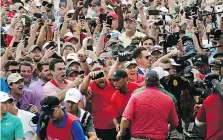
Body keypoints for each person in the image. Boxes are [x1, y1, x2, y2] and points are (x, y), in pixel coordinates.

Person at [117, 70, 179, 140]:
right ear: (158, 82)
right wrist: (167, 129)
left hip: (139, 138)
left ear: (145, 82)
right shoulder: (168, 99)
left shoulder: (136, 96)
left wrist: (121, 133)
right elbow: (175, 123)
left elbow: (125, 120)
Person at [80, 66, 117, 140]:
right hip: (98, 128)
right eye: (98, 76)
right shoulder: (91, 86)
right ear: (93, 79)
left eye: (102, 75)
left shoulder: (111, 84)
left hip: (114, 127)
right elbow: (83, 91)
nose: (101, 78)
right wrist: (89, 76)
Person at [111, 69, 141, 140]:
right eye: (114, 80)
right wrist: (117, 125)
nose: (115, 83)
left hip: (142, 128)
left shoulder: (138, 88)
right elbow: (115, 117)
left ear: (125, 79)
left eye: (117, 80)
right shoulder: (114, 97)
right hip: (127, 130)